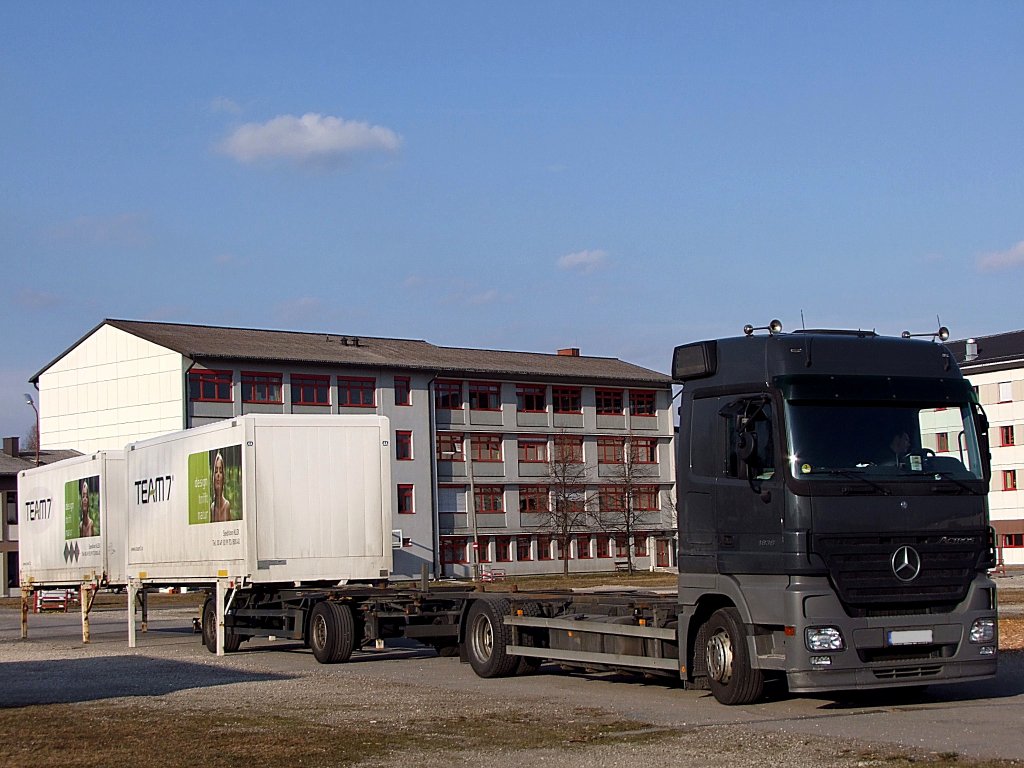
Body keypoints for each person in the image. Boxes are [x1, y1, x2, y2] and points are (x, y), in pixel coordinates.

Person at [210, 452, 232, 522]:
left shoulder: (227, 506)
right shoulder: (212, 508)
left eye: (221, 471)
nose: (218, 475)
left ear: (223, 476)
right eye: (216, 471)